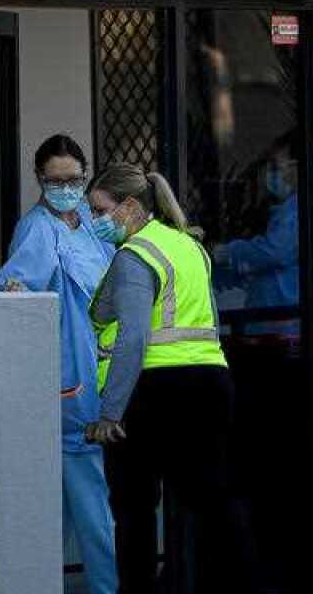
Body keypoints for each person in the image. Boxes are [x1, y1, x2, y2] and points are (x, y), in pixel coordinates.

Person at [85, 163, 255, 594]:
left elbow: (134, 336)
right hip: (211, 383)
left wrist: (111, 412)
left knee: (135, 511)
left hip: (153, 390)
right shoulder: (188, 246)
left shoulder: (135, 254)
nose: (95, 219)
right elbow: (209, 320)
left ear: (128, 206)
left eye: (100, 209)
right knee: (214, 501)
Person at [0, 135, 117, 594]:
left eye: (75, 179)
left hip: (104, 374)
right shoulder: (37, 229)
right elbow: (15, 294)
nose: (67, 187)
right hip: (73, 383)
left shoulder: (90, 221)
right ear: (40, 180)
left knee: (69, 504)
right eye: (56, 180)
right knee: (93, 504)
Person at [212, 133, 300, 336]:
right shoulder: (281, 211)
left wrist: (231, 251)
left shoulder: (296, 211)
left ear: (296, 169)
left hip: (283, 322)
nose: (271, 175)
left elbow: (276, 251)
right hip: (269, 321)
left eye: (278, 168)